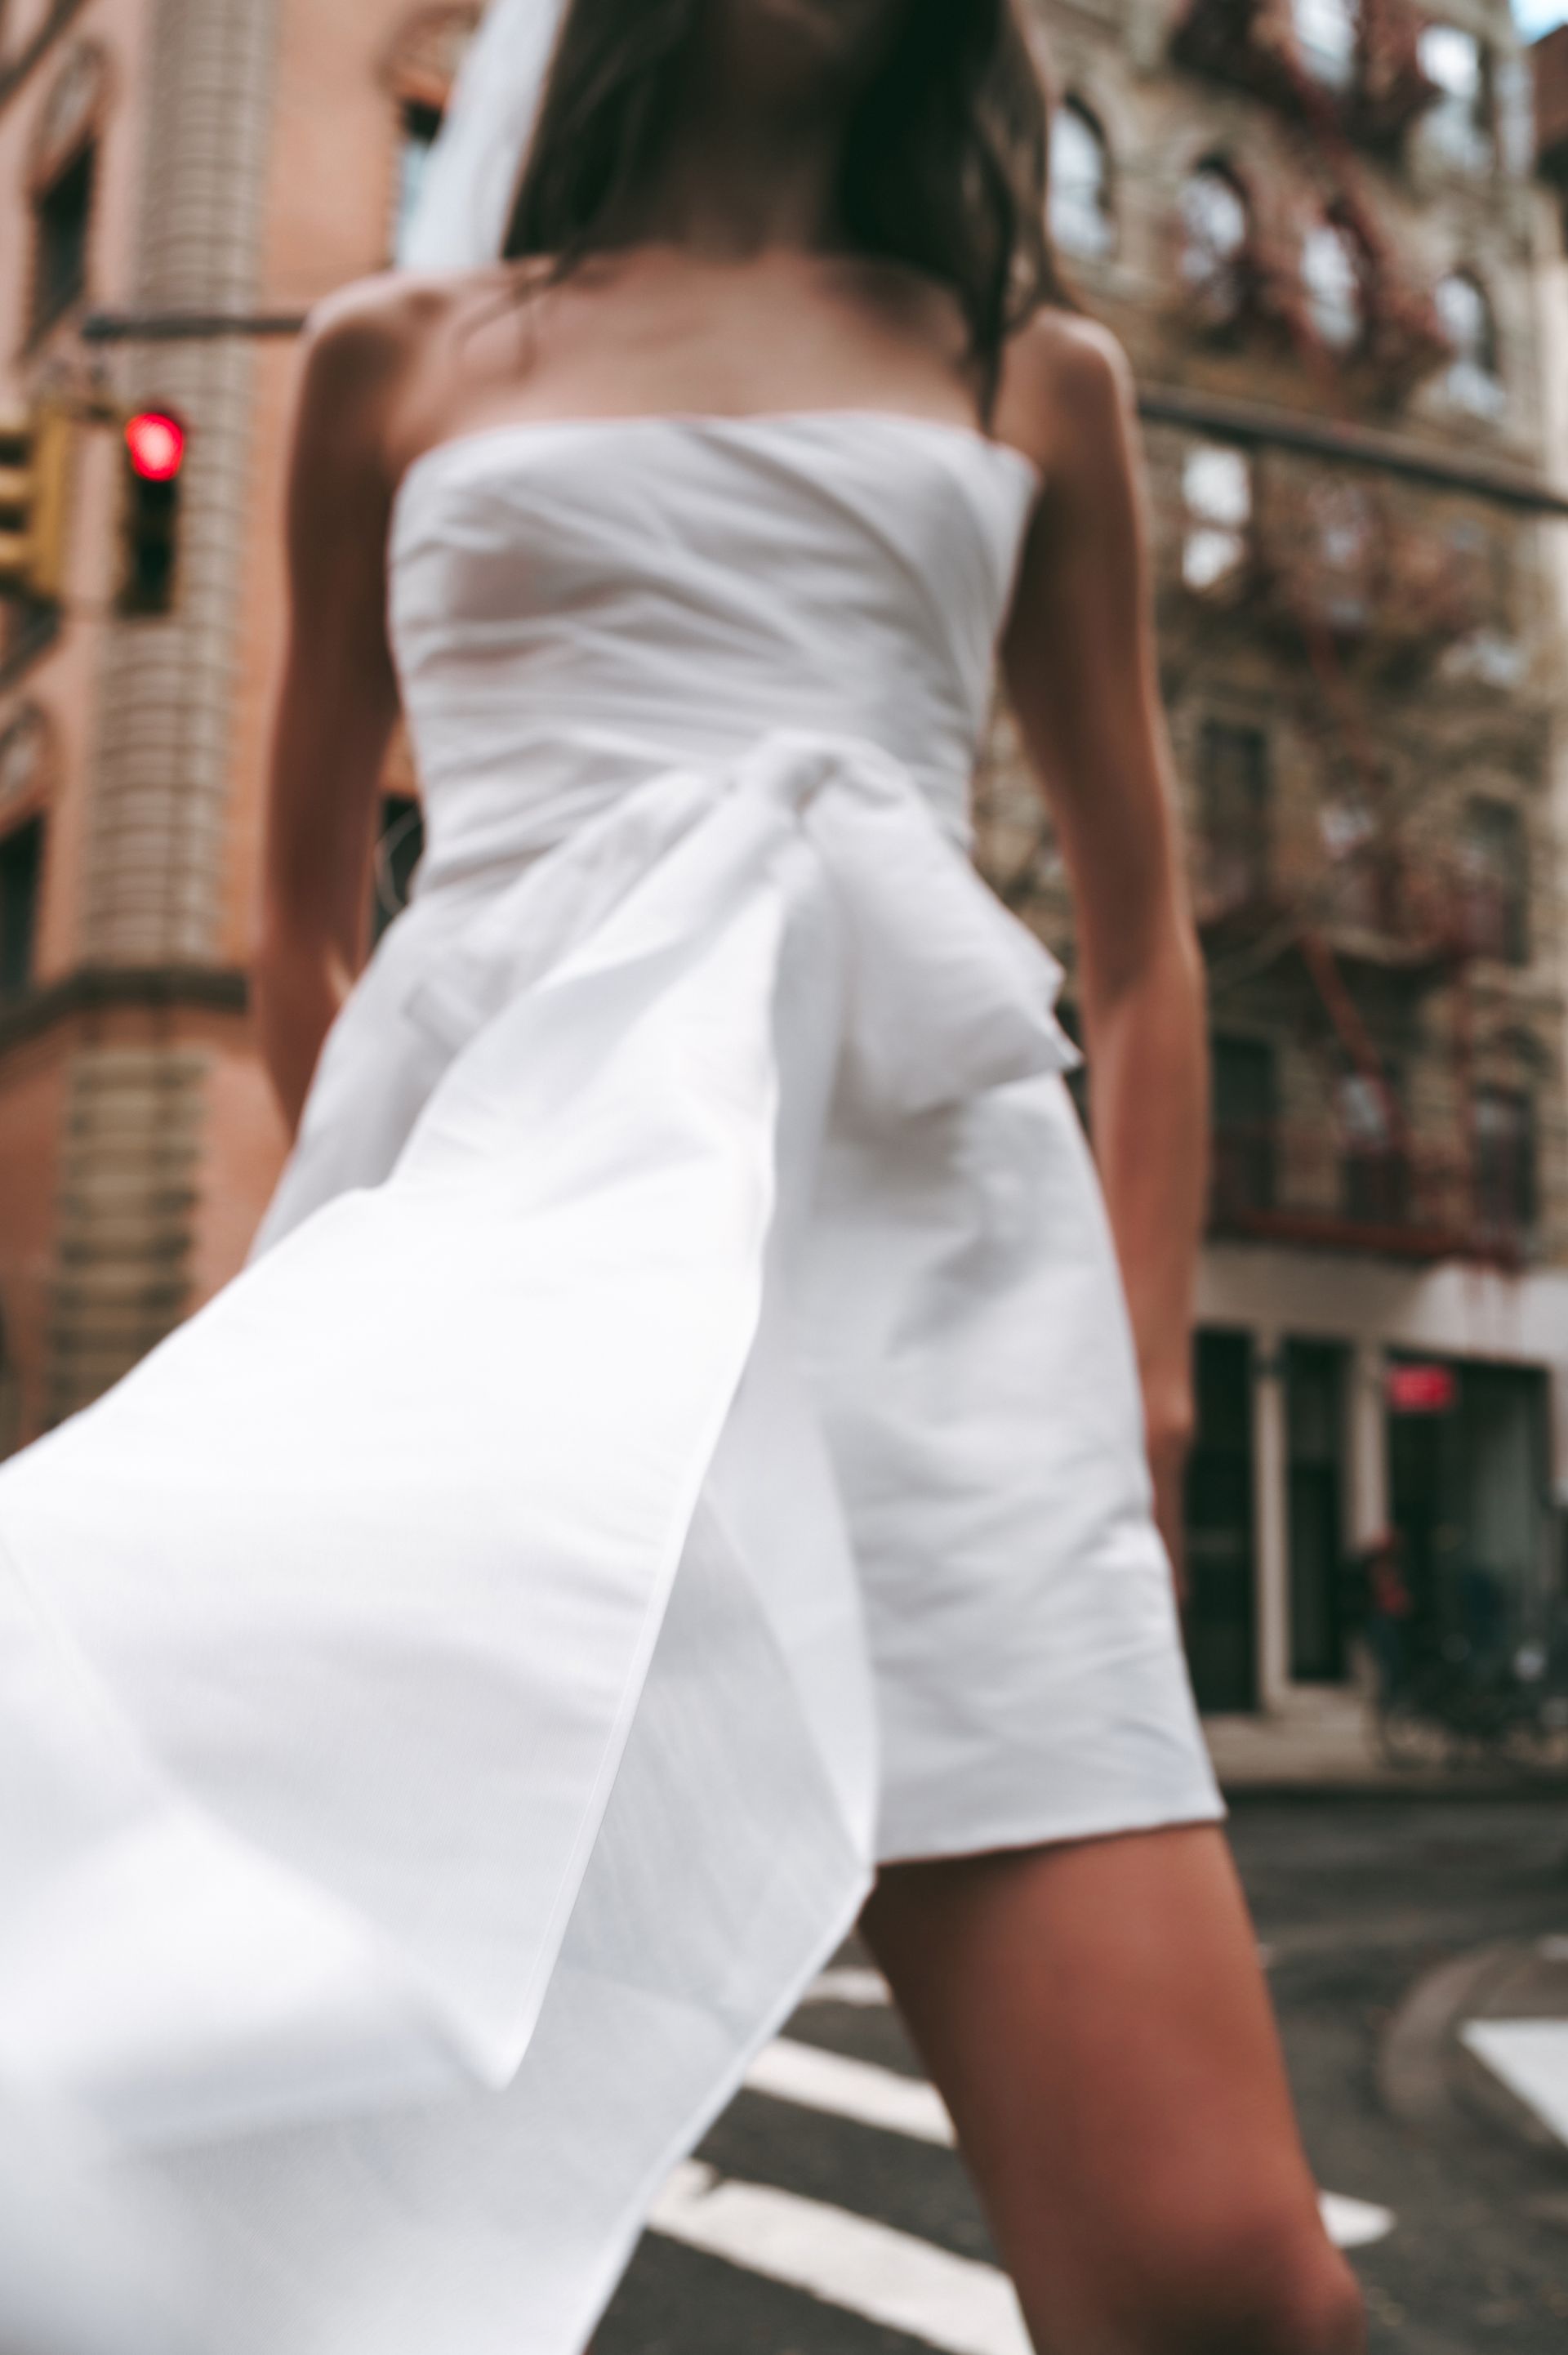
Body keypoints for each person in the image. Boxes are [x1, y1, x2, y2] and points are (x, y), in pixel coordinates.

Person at [0, 2, 1364, 2350]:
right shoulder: (387, 357)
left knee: (1225, 2292)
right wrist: (403, 1258)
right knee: (234, 2139)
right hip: (519, 1299)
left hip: (938, 1282)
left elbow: (1144, 954)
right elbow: (298, 914)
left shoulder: (1032, 379)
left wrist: (1136, 1374)